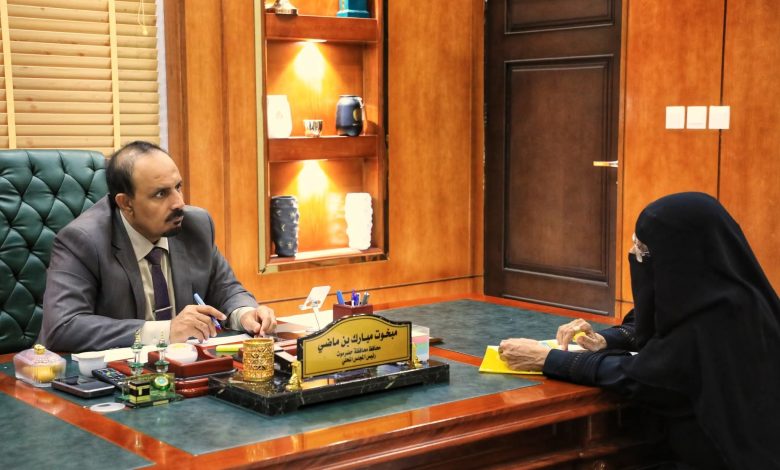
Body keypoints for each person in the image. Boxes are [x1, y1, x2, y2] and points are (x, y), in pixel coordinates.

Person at [498, 192, 780, 469]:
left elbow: (640, 376)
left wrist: (548, 359)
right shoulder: (734, 295)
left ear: (679, 254)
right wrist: (605, 339)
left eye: (642, 249)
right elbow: (655, 324)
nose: (633, 255)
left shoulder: (713, 320)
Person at [39, 141, 276, 352]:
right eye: (161, 194)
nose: (179, 203)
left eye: (178, 187)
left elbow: (226, 289)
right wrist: (166, 331)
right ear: (126, 203)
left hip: (180, 372)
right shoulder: (83, 241)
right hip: (111, 376)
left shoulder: (195, 226)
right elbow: (63, 327)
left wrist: (245, 313)